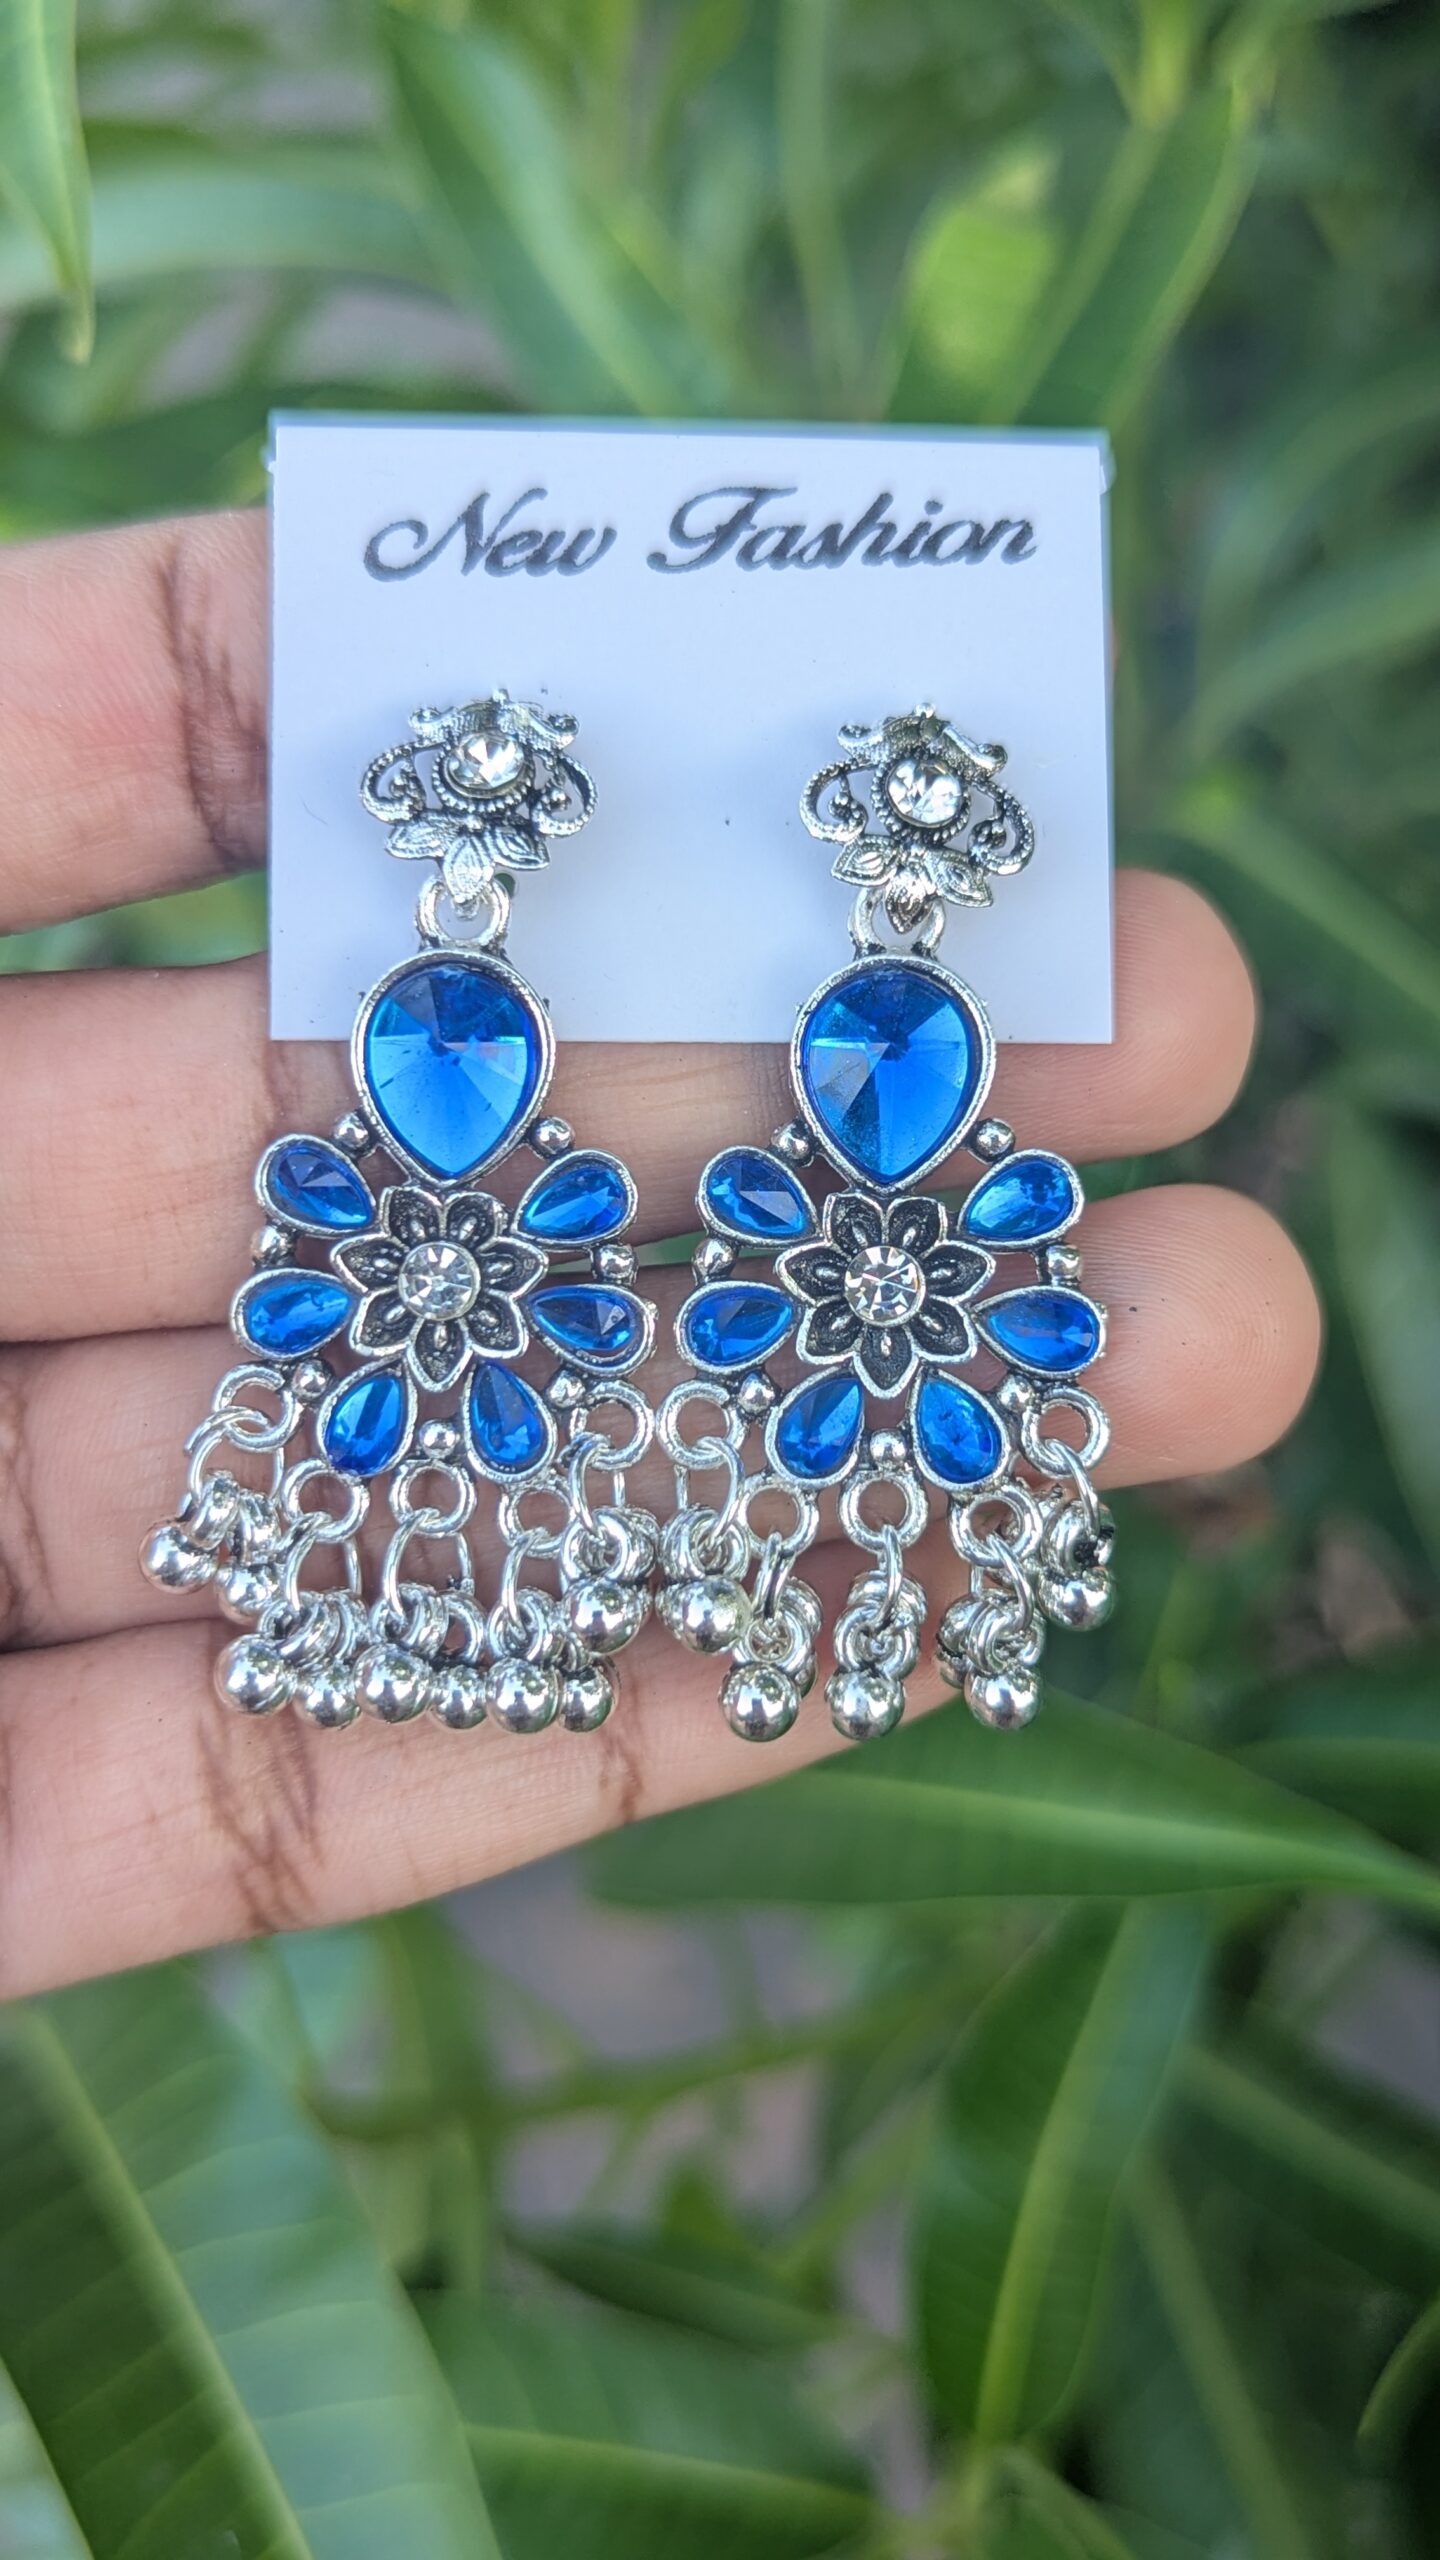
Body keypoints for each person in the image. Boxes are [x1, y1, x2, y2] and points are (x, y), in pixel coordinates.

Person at [0, 511, 1321, 1995]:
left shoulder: (854, 1059)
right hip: (459, 1249)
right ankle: (427, 1607)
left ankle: (463, 1610)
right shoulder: (477, 1055)